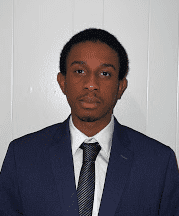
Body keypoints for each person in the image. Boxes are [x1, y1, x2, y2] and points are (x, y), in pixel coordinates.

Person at [0, 28, 179, 216]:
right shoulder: (22, 157)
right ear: (63, 82)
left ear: (120, 87)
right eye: (79, 71)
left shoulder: (158, 163)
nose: (91, 84)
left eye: (105, 74)